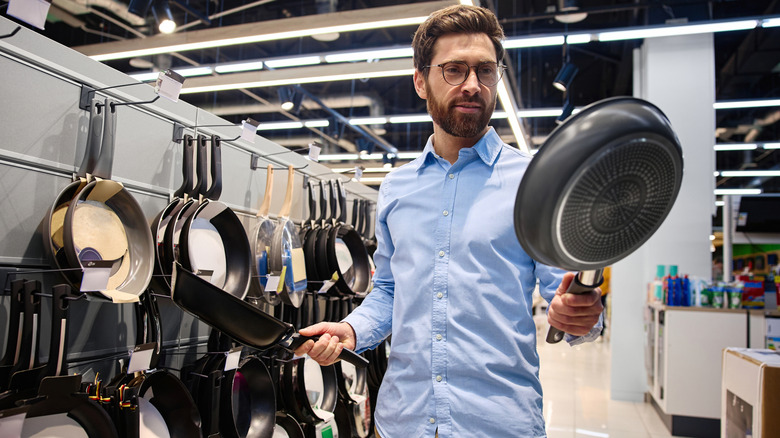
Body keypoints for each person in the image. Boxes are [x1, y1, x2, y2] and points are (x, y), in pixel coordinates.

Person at [295, 5, 603, 437]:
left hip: (498, 425)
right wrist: (350, 329)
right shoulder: (397, 188)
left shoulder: (534, 183)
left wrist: (579, 316)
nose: (473, 85)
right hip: (403, 421)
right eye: (455, 70)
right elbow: (389, 291)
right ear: (421, 81)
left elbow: (567, 303)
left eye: (485, 70)